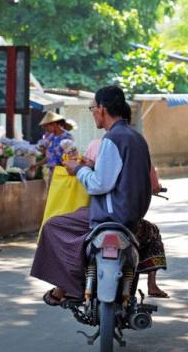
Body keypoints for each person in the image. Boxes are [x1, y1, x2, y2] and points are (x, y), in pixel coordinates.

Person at [31, 86, 153, 305]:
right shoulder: (136, 137)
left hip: (111, 214)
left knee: (53, 226)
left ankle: (69, 286)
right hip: (132, 215)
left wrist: (78, 170)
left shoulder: (112, 139)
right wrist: (93, 165)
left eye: (92, 108)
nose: (93, 112)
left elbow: (99, 185)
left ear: (102, 109)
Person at [84, 136, 169, 298]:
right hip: (125, 221)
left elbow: (85, 173)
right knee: (152, 232)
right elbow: (153, 184)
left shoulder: (94, 146)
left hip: (94, 219)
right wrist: (156, 188)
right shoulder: (137, 152)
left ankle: (64, 288)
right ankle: (152, 284)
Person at [31, 112, 75, 180]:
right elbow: (50, 156)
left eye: (46, 126)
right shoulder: (50, 137)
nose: (45, 129)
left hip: (63, 172)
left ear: (54, 124)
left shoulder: (67, 137)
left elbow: (71, 156)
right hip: (52, 172)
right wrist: (37, 164)